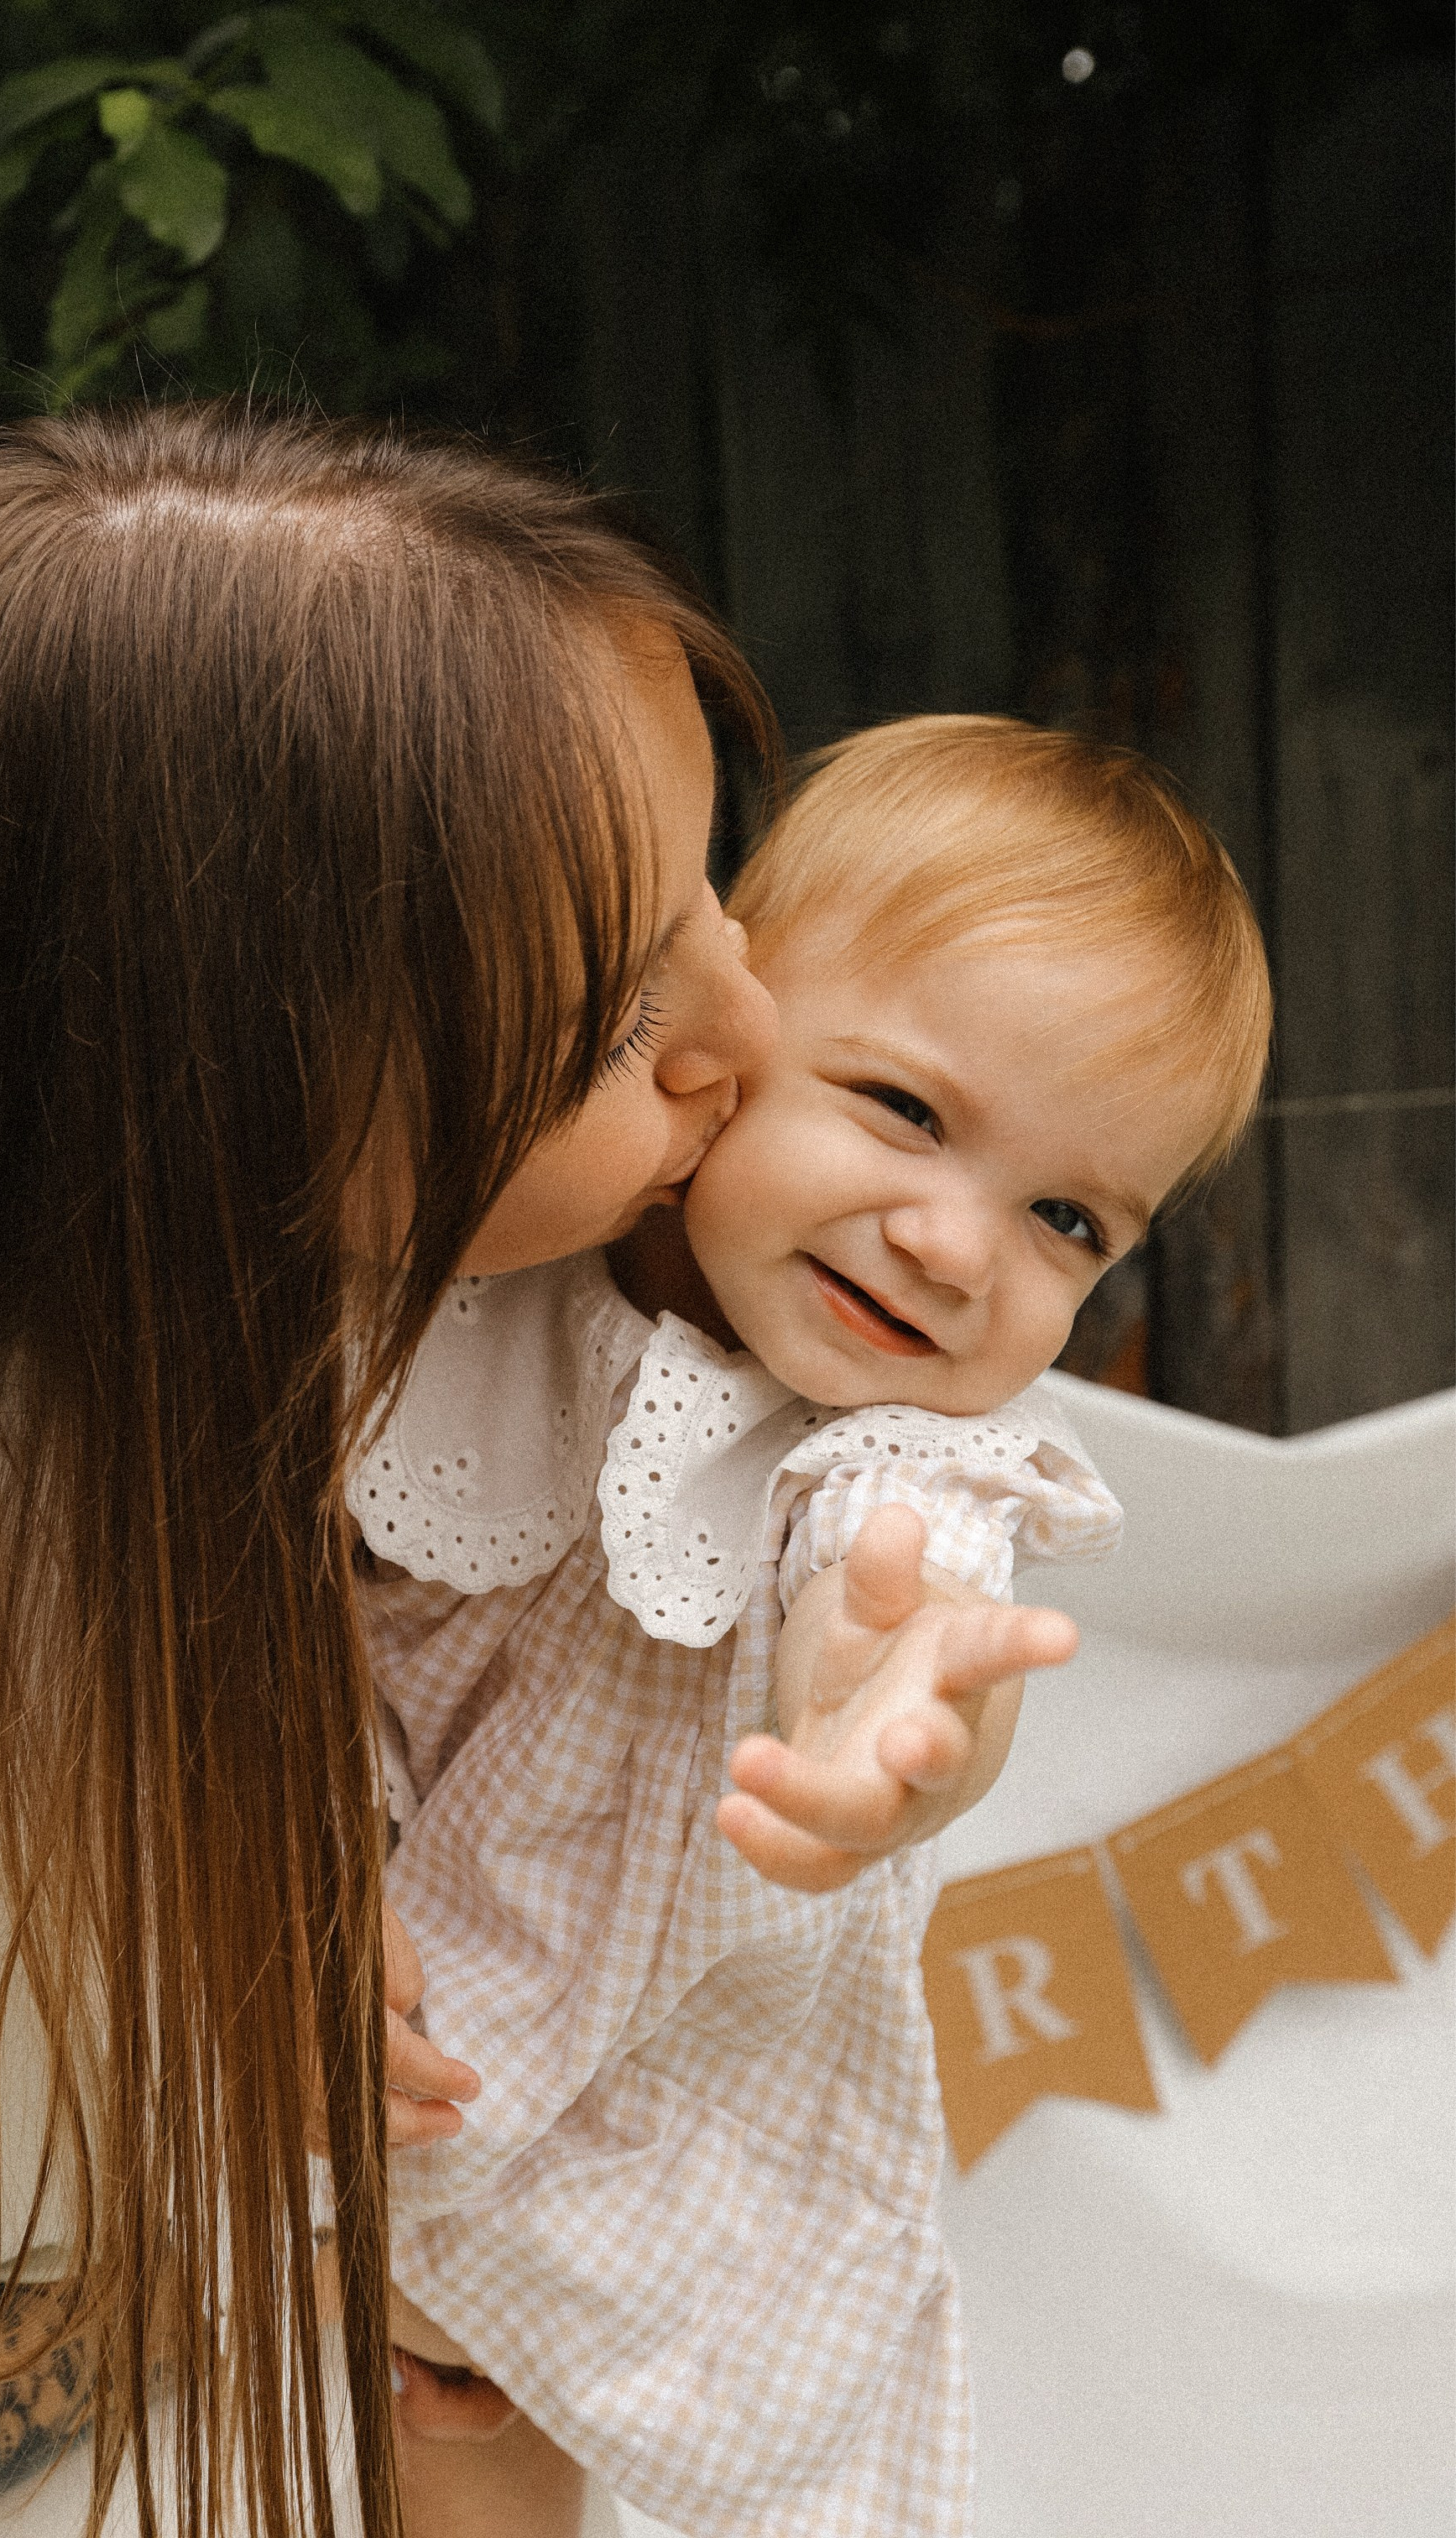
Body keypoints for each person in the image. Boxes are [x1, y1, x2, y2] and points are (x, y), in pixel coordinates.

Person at [0, 411, 1062, 2538]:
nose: (753, 1031)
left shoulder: (319, 1358)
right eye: (622, 1010)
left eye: (718, 894)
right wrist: (240, 2221)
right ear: (237, 1075)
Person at [364, 716, 1273, 2537]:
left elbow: (901, 1592)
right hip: (296, 2027)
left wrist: (890, 1728)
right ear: (726, 1042)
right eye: (908, 1112)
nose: (953, 1245)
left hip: (607, 2155)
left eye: (1067, 1218)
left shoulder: (902, 1455)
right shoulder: (482, 1274)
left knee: (478, 2464)